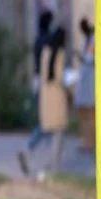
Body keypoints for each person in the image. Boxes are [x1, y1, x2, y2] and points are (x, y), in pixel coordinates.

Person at [17, 10, 54, 176]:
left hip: (38, 81)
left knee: (48, 123)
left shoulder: (38, 39)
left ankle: (42, 158)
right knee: (48, 123)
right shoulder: (47, 40)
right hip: (46, 84)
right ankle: (31, 151)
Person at [38, 25, 69, 177]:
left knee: (49, 131)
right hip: (57, 96)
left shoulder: (45, 52)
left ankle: (51, 163)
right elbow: (61, 77)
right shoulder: (60, 54)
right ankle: (55, 166)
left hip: (46, 98)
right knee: (59, 132)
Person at [74, 18, 95, 151]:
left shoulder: (94, 40)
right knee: (83, 112)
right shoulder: (85, 40)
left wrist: (81, 57)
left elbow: (90, 58)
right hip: (84, 77)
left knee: (92, 112)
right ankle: (86, 141)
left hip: (91, 77)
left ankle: (92, 142)